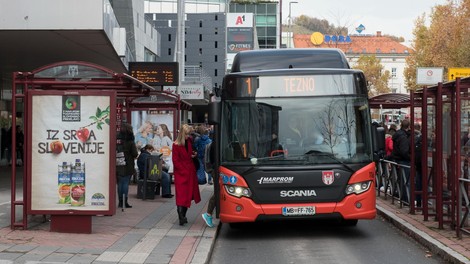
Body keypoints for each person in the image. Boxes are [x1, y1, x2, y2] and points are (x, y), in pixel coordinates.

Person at [172, 124, 201, 225]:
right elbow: (175, 161)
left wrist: (193, 155)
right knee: (182, 195)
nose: (188, 136)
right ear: (183, 134)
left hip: (190, 171)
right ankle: (181, 216)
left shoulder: (189, 141)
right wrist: (183, 170)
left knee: (188, 194)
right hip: (182, 173)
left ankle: (183, 216)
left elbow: (188, 154)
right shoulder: (175, 145)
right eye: (187, 134)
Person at [116, 123, 138, 208]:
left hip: (118, 164)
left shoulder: (117, 141)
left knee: (120, 183)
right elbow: (135, 154)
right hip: (128, 164)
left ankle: (120, 202)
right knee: (125, 183)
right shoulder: (130, 141)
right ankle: (125, 202)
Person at [392, 119, 412, 203]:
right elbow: (404, 151)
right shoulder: (403, 137)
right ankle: (406, 199)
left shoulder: (398, 135)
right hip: (404, 160)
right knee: (406, 181)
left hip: (398, 159)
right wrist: (410, 157)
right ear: (408, 126)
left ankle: (401, 196)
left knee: (401, 179)